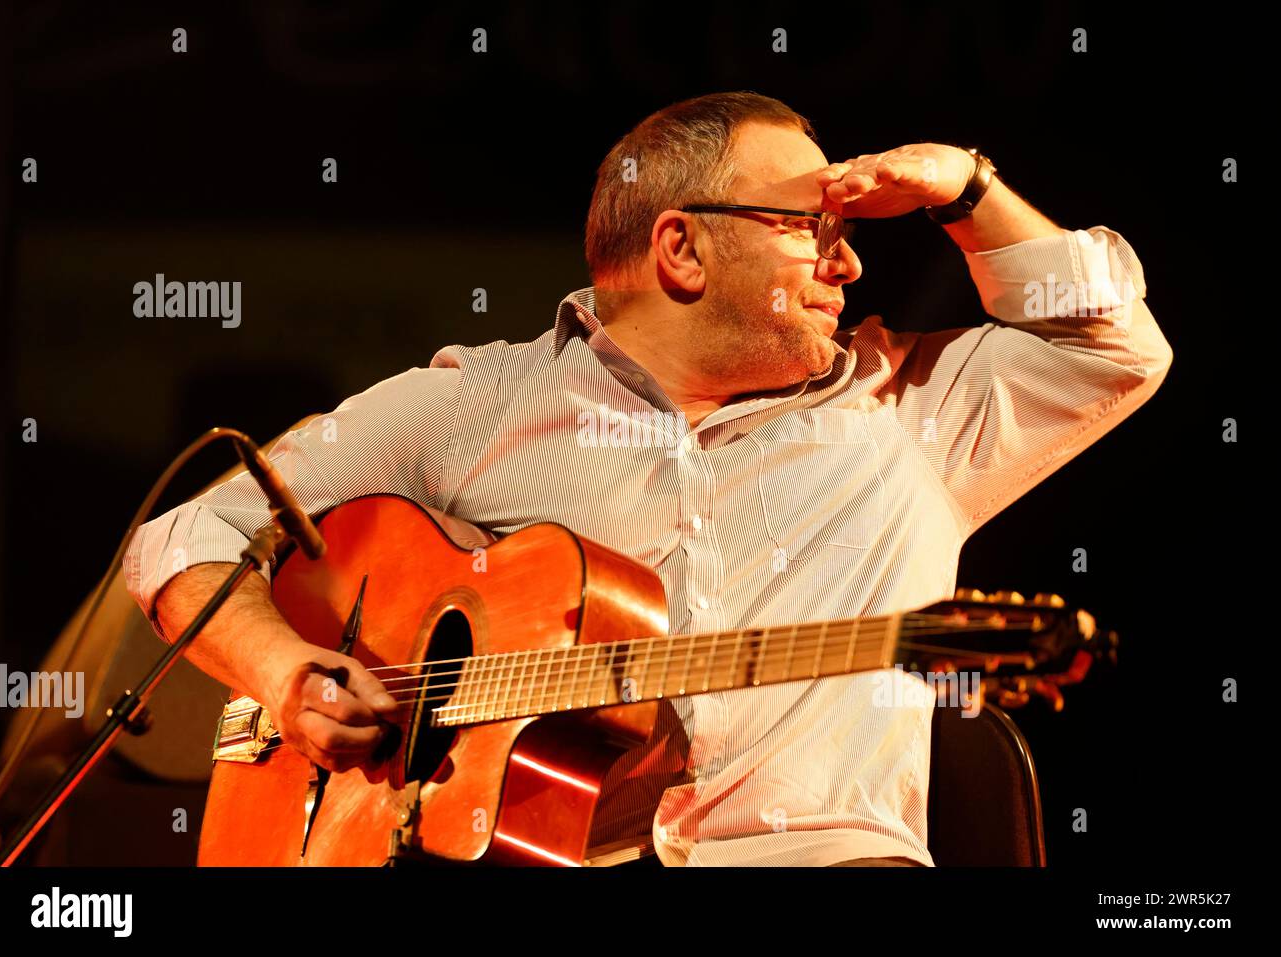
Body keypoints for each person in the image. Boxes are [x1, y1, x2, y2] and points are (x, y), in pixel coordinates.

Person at [124, 91, 1172, 867]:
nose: (850, 266)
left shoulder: (911, 411)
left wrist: (969, 192)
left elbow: (1116, 348)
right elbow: (182, 540)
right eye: (815, 230)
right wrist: (286, 677)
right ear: (682, 250)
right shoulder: (468, 404)